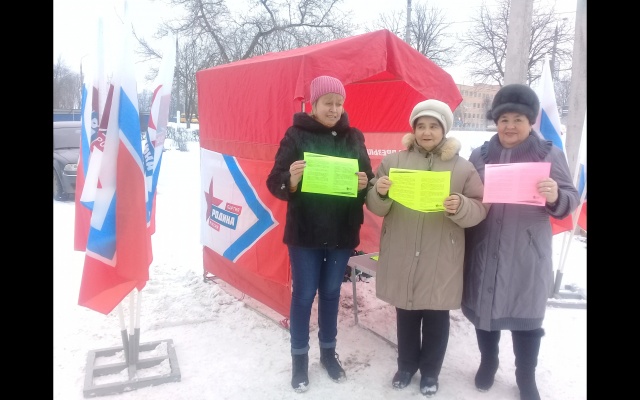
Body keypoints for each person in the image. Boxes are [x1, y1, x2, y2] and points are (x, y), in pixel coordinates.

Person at [461, 84, 580, 400]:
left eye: (518, 119)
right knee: (485, 309)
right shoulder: (479, 155)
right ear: (496, 122)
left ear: (530, 122)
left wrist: (555, 195)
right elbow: (467, 193)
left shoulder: (548, 155)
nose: (510, 126)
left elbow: (571, 196)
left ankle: (525, 376)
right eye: (504, 119)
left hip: (527, 252)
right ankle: (488, 362)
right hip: (485, 246)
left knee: (526, 317)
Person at [365, 99, 487, 397]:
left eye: (434, 126)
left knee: (436, 317)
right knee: (406, 313)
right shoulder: (394, 162)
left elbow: (480, 208)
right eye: (421, 126)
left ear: (444, 130)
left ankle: (431, 372)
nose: (427, 132)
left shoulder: (463, 167)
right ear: (414, 129)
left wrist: (461, 206)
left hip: (441, 256)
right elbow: (374, 205)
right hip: (402, 250)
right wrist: (379, 192)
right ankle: (406, 366)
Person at [266, 75, 374, 393]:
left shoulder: (353, 137)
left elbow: (367, 178)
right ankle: (299, 360)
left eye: (339, 103)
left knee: (330, 293)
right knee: (303, 295)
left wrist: (364, 183)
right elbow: (274, 180)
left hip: (342, 231)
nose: (334, 109)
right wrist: (291, 180)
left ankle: (328, 353)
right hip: (306, 233)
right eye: (328, 102)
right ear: (313, 105)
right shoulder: (296, 135)